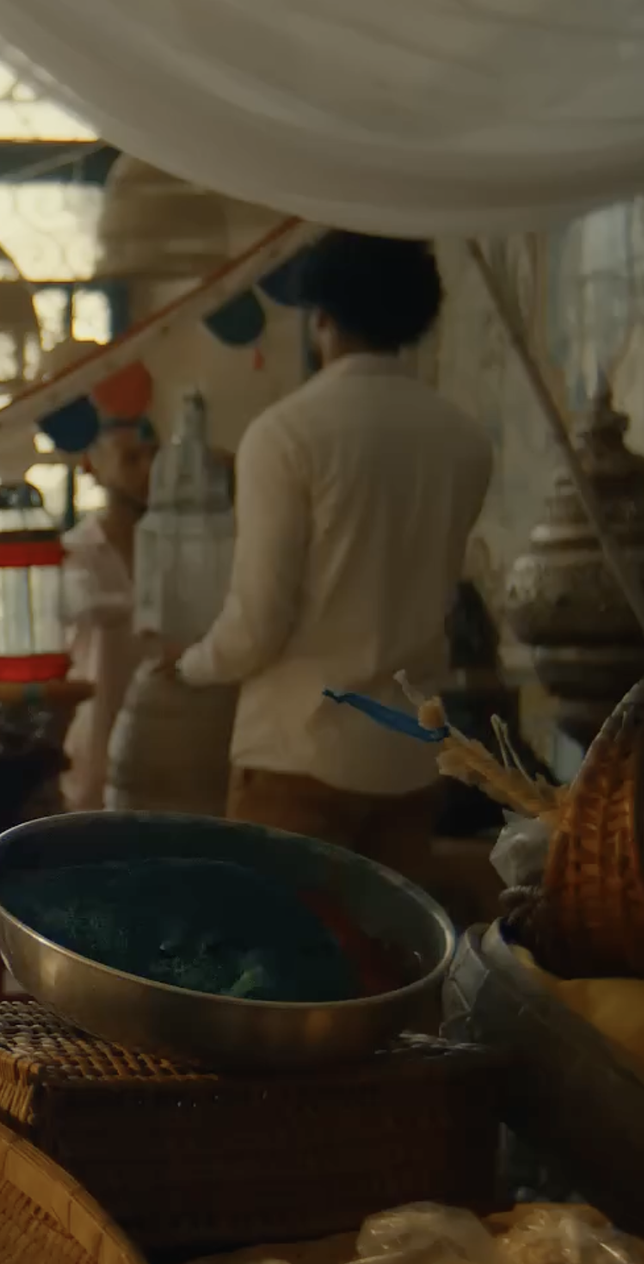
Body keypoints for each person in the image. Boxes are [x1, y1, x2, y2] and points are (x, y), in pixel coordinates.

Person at [162, 231, 493, 877]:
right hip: (408, 762)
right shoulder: (465, 440)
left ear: (322, 319)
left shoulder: (286, 435)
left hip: (299, 757)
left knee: (285, 969)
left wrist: (190, 666)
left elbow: (258, 625)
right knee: (390, 969)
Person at [60, 420, 158, 812]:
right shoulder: (73, 553)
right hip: (96, 748)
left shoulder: (175, 549)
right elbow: (85, 605)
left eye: (154, 456)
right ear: (91, 465)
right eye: (132, 459)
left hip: (166, 744)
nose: (149, 471)